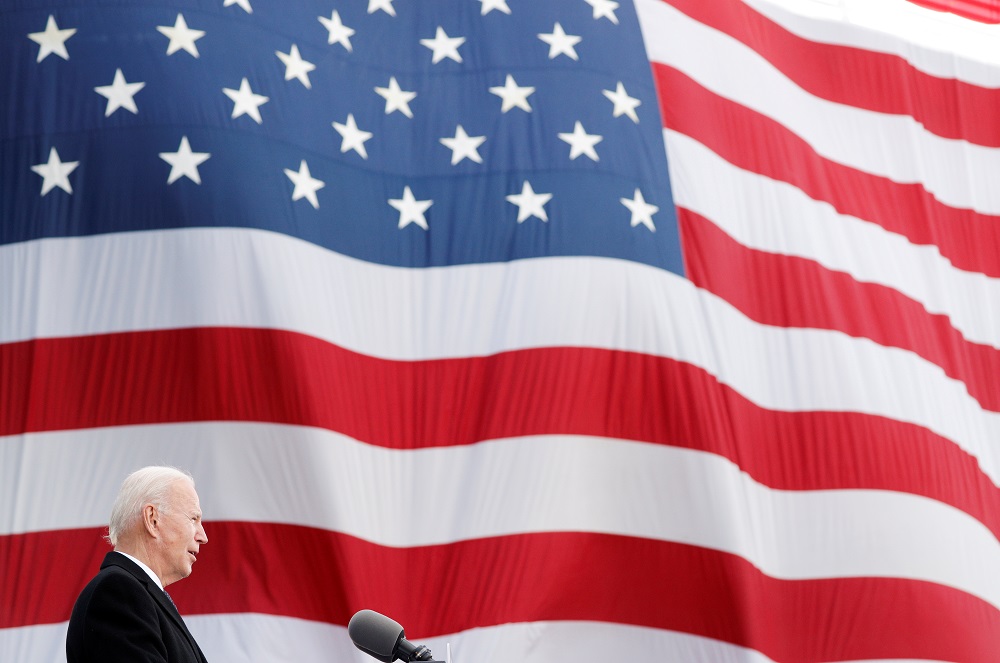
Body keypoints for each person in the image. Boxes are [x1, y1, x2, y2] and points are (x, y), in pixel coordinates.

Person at [66, 466, 210, 662]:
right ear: (152, 519)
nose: (203, 537)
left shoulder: (137, 595)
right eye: (193, 519)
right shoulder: (118, 592)